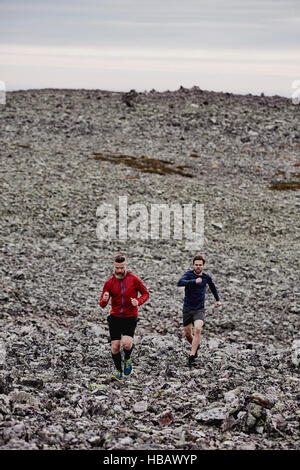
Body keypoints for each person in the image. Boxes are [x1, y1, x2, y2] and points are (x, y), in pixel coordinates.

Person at [99, 254, 149, 380]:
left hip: (129, 316)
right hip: (115, 317)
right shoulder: (109, 282)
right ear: (114, 266)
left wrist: (138, 301)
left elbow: (146, 293)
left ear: (126, 266)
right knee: (115, 346)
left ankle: (127, 358)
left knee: (126, 344)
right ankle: (118, 371)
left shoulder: (134, 279)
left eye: (122, 268)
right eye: (117, 268)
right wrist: (104, 300)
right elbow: (102, 304)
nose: (119, 270)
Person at [177, 254, 221, 367]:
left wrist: (217, 300)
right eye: (196, 265)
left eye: (200, 265)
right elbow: (180, 283)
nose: (198, 267)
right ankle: (195, 346)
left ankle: (192, 356)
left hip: (199, 309)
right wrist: (193, 281)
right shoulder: (188, 274)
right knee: (187, 334)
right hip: (187, 308)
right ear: (193, 265)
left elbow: (212, 287)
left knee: (197, 329)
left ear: (203, 266)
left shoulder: (206, 277)